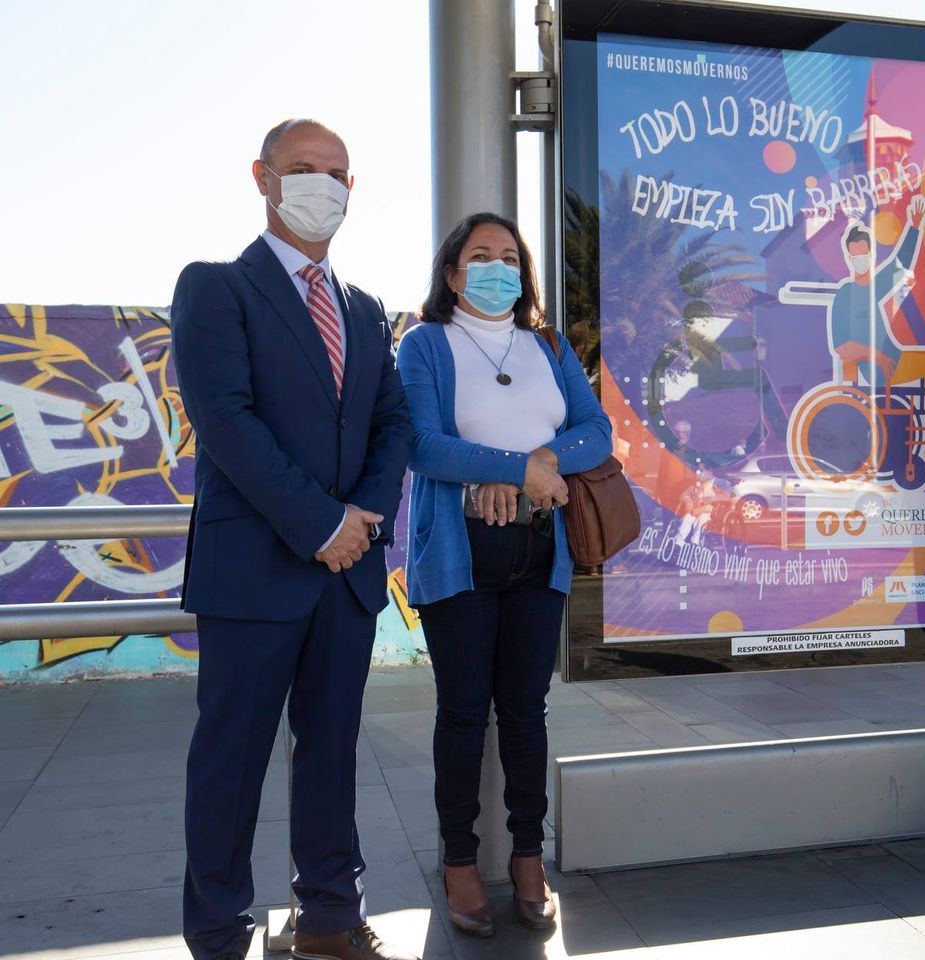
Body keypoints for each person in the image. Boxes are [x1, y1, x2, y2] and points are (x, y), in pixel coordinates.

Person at [171, 119, 413, 960]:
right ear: (262, 177)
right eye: (303, 167)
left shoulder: (365, 309)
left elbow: (392, 423)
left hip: (346, 575)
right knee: (230, 762)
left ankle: (331, 918)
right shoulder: (215, 288)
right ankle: (218, 935)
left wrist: (362, 519)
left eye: (336, 173)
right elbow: (226, 422)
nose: (323, 185)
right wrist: (322, 523)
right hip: (253, 573)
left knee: (332, 754)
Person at [396, 212, 611, 936]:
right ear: (452, 273)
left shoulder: (548, 345)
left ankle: (527, 857)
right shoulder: (425, 344)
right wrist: (518, 469)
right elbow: (423, 444)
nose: (498, 267)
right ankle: (459, 862)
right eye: (481, 255)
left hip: (539, 552)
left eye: (511, 257)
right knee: (462, 712)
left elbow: (596, 433)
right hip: (460, 554)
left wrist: (536, 468)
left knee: (525, 711)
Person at [780, 193, 925, 475]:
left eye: (864, 254)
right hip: (872, 368)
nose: (861, 259)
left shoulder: (873, 286)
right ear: (849, 257)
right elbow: (842, 347)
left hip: (892, 359)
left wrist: (914, 226)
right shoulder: (845, 295)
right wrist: (875, 355)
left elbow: (900, 265)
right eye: (855, 255)